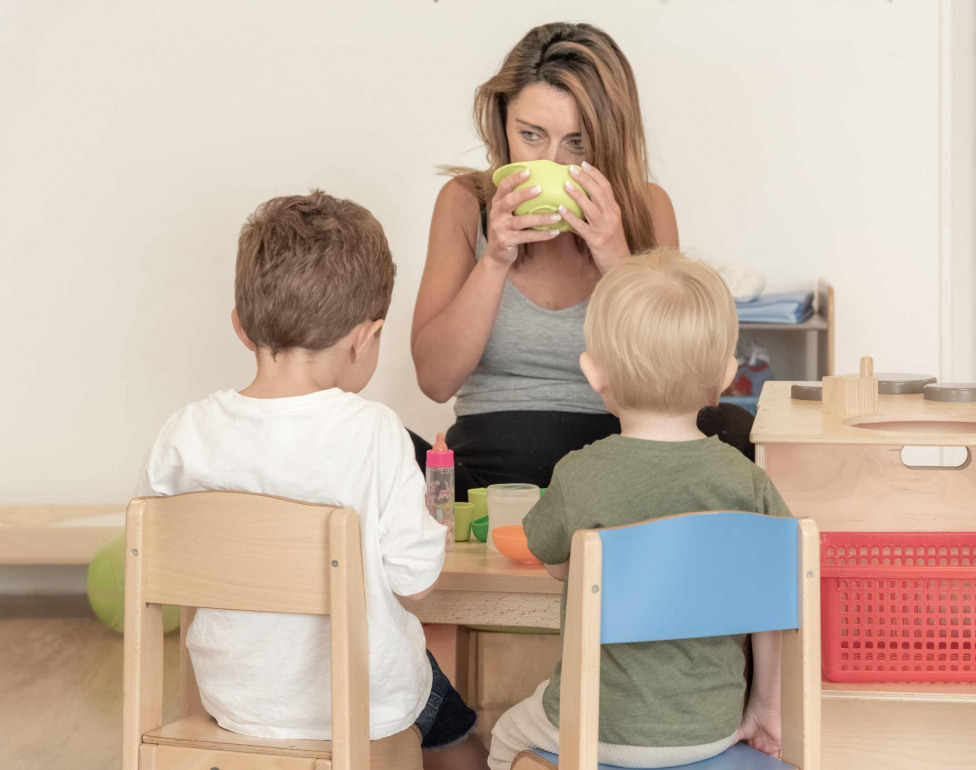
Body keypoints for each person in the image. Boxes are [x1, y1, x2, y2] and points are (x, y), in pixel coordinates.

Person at [135, 191, 485, 770]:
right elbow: (415, 582)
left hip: (234, 699)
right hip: (360, 707)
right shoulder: (373, 431)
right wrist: (429, 529)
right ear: (364, 338)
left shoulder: (185, 432)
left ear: (241, 328)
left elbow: (159, 557)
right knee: (451, 724)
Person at [410, 22, 753, 494]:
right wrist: (494, 260)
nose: (554, 163)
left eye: (577, 143)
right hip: (491, 465)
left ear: (609, 139)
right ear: (502, 122)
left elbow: (679, 376)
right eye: (531, 135)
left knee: (736, 429)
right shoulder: (464, 201)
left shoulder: (648, 208)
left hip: (622, 460)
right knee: (378, 443)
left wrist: (617, 260)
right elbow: (435, 381)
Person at [487, 249, 792, 770]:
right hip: (711, 729)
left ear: (592, 371)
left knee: (504, 736)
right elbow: (775, 603)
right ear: (726, 375)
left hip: (597, 729)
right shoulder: (750, 483)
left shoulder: (579, 474)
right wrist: (764, 707)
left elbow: (558, 564)